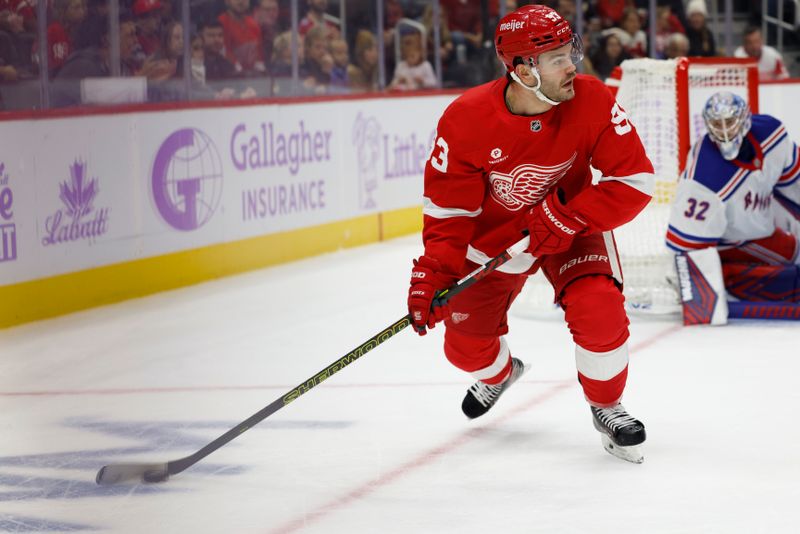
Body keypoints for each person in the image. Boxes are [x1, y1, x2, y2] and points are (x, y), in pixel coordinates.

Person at [406, 4, 654, 463]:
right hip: (493, 244)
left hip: (573, 226)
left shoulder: (592, 99)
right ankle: (499, 374)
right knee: (465, 351)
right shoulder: (465, 119)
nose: (571, 66)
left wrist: (570, 217)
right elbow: (448, 210)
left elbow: (635, 182)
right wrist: (433, 272)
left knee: (599, 308)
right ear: (522, 69)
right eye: (557, 58)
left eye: (570, 52)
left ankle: (606, 405)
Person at [665, 92, 800, 303]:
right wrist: (693, 289)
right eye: (717, 124)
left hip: (759, 226)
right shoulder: (704, 177)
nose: (725, 131)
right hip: (728, 243)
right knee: (794, 260)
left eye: (729, 122)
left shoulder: (772, 134)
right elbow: (685, 244)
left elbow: (794, 182)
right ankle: (728, 278)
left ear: (744, 119)